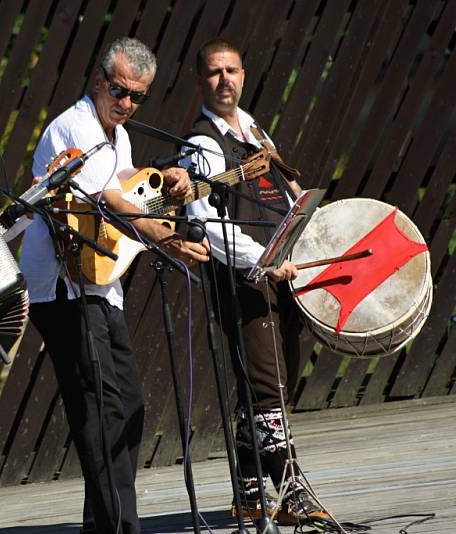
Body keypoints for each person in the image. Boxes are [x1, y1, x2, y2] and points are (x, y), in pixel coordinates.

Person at [19, 37, 210, 533]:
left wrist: (167, 180)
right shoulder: (73, 127)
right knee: (101, 411)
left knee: (125, 407)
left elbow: (124, 181)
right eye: (120, 91)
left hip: (101, 285)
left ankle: (105, 524)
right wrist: (165, 237)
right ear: (98, 79)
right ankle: (119, 527)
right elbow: (107, 200)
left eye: (138, 97)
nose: (127, 104)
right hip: (64, 289)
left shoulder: (115, 133)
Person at [181, 38, 330, 524]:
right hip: (245, 281)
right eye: (214, 72)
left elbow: (281, 198)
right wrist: (265, 261)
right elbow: (207, 226)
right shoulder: (202, 144)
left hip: (278, 275)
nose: (225, 80)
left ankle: (248, 493)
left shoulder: (255, 131)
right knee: (269, 389)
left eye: (232, 71)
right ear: (200, 80)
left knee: (266, 387)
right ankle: (292, 495)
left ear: (244, 76)